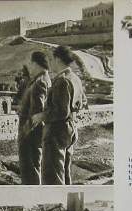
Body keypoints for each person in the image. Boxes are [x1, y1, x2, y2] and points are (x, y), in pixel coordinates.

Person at [32, 45, 87, 185]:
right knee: (65, 173)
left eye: (52, 59)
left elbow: (61, 112)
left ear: (57, 59)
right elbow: (83, 101)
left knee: (53, 176)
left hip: (57, 131)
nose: (51, 63)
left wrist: (41, 116)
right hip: (71, 129)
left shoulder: (62, 80)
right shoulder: (75, 78)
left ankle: (56, 203)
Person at [17, 51, 51, 185]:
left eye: (31, 63)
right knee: (33, 168)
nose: (30, 66)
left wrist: (24, 132)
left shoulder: (40, 82)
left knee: (29, 170)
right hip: (34, 133)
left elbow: (37, 113)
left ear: (37, 63)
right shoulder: (43, 79)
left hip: (30, 134)